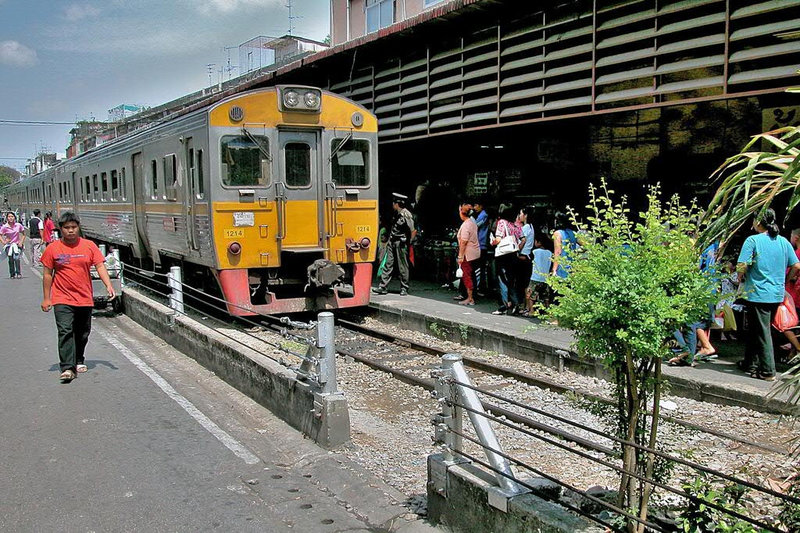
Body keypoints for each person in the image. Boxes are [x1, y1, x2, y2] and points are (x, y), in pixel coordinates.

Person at [40, 212, 116, 382]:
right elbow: (47, 274)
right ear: (61, 229)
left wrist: (108, 285)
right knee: (65, 330)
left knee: (82, 332)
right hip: (61, 297)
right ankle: (67, 367)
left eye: (74, 227)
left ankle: (79, 358)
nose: (71, 231)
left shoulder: (89, 246)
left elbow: (100, 266)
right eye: (67, 228)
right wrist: (47, 298)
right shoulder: (53, 248)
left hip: (83, 297)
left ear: (78, 227)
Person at [736, 210, 800, 381]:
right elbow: (796, 266)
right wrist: (785, 281)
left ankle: (768, 370)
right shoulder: (783, 242)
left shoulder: (753, 240)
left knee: (762, 331)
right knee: (756, 329)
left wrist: (741, 277)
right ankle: (750, 363)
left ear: (759, 222)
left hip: (757, 293)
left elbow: (741, 265)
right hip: (776, 294)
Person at [373, 192, 415, 296]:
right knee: (388, 264)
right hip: (392, 242)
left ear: (397, 204)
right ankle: (383, 287)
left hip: (401, 243)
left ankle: (404, 287)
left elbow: (413, 231)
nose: (393, 205)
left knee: (402, 266)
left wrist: (409, 242)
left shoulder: (406, 214)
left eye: (394, 203)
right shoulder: (396, 214)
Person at [491, 206, 522, 315]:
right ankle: (516, 305)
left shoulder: (501, 223)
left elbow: (498, 239)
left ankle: (503, 306)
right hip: (514, 254)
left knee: (502, 280)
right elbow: (523, 238)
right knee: (511, 280)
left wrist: (493, 242)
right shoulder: (516, 225)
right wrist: (518, 248)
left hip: (503, 255)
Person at [455, 202, 480, 306]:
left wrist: (460, 256)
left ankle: (470, 298)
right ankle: (471, 296)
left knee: (467, 275)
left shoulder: (466, 225)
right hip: (475, 252)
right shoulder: (472, 222)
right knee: (472, 274)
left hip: (467, 253)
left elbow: (463, 241)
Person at [525, 234, 553, 315]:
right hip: (545, 278)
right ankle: (548, 311)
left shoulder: (535, 252)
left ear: (539, 242)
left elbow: (528, 259)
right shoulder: (549, 253)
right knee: (546, 297)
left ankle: (531, 311)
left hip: (535, 277)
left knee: (530, 295)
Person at [551, 213, 578, 278]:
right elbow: (586, 245)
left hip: (562, 268)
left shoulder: (557, 233)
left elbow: (558, 252)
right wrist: (577, 251)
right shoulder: (573, 233)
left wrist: (554, 270)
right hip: (572, 268)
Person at [0, 212, 26, 279]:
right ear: (7, 218)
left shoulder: (18, 225)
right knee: (11, 259)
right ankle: (12, 273)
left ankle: (18, 273)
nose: (10, 218)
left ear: (14, 217)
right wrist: (4, 242)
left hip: (17, 244)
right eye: (9, 216)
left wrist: (21, 242)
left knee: (16, 258)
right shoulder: (5, 227)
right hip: (9, 245)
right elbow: (0, 235)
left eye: (12, 216)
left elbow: (23, 234)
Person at [472, 199, 489, 295]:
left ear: (481, 206)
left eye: (476, 205)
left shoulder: (483, 215)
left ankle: (479, 288)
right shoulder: (481, 215)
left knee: (479, 267)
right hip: (480, 243)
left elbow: (475, 226)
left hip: (481, 244)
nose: (474, 208)